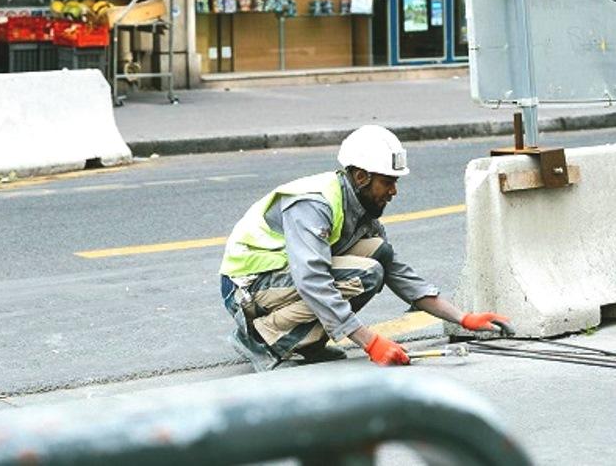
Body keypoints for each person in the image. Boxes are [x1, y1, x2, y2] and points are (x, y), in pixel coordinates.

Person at [219, 125, 511, 371]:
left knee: (378, 253)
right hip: (248, 288)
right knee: (366, 274)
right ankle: (261, 339)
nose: (394, 191)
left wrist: (462, 318)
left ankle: (305, 344)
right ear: (361, 177)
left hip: (279, 281)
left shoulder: (360, 209)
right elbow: (313, 280)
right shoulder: (314, 204)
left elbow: (398, 272)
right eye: (387, 182)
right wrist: (369, 341)